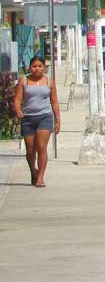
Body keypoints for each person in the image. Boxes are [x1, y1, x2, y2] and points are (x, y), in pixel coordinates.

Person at [12, 55, 61, 187]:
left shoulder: (49, 82)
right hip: (27, 118)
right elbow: (17, 99)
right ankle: (33, 171)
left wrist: (57, 120)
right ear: (30, 67)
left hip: (44, 117)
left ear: (44, 67)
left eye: (40, 66)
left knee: (41, 147)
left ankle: (40, 178)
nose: (37, 69)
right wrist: (18, 110)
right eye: (34, 66)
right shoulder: (24, 81)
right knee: (30, 150)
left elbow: (55, 102)